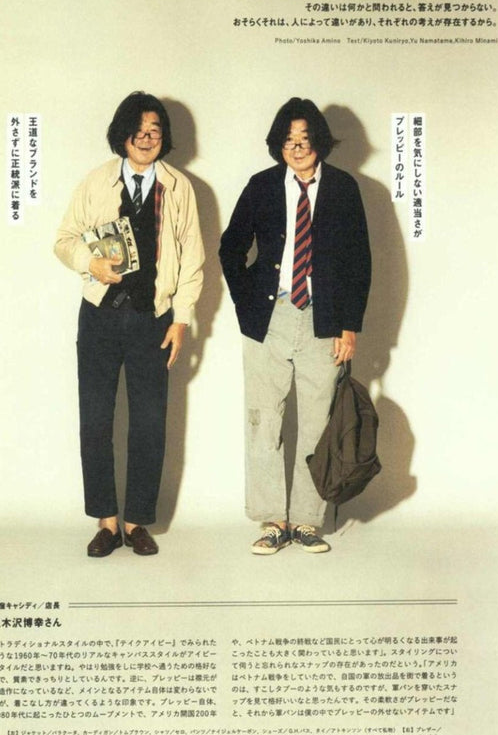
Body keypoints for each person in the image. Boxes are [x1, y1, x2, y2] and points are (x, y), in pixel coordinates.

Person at [55, 91, 204, 557]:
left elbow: (194, 260)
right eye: (138, 130)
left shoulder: (179, 188)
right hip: (99, 315)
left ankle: (137, 522)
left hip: (153, 319)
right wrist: (90, 263)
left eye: (155, 131)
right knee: (96, 420)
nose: (146, 138)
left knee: (149, 423)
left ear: (164, 138)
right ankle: (106, 522)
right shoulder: (96, 182)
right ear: (123, 135)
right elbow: (63, 240)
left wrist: (181, 320)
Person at [219, 97, 371, 555]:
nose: (297, 147)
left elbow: (359, 262)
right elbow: (231, 247)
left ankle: (306, 521)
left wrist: (348, 326)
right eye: (288, 140)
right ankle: (272, 520)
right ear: (278, 145)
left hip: (324, 319)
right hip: (271, 316)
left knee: (318, 423)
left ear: (319, 141)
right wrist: (248, 303)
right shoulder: (262, 186)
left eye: (305, 139)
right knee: (264, 420)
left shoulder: (343, 188)